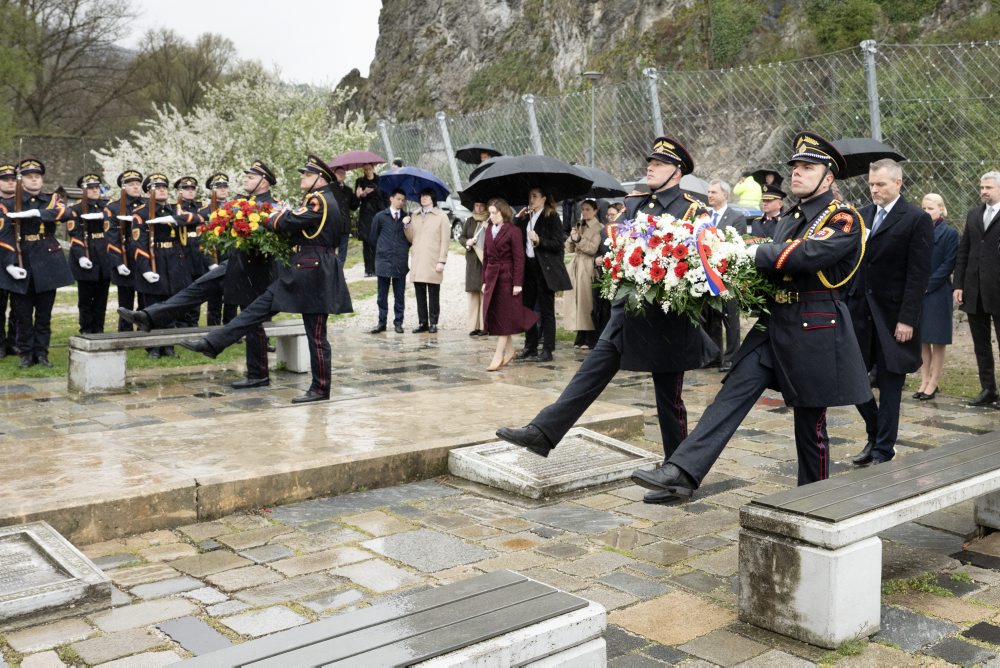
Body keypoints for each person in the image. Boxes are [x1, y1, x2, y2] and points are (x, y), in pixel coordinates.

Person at [627, 131, 871, 500]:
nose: (797, 174)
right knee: (729, 397)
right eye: (796, 167)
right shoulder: (792, 216)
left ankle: (815, 500)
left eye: (808, 168)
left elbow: (805, 256)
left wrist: (748, 253)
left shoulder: (844, 219)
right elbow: (775, 254)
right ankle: (680, 471)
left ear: (829, 177)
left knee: (810, 426)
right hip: (774, 324)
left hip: (815, 326)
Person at [497, 136, 716, 501]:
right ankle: (544, 432)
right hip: (628, 312)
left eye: (659, 164)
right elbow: (618, 248)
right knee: (590, 371)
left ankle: (677, 474)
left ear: (677, 173)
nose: (650, 167)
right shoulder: (634, 205)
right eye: (649, 161)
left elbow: (702, 258)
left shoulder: (694, 211)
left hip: (665, 316)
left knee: (669, 398)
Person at [181, 154, 352, 404]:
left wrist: (268, 219)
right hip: (303, 271)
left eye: (306, 174)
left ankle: (320, 388)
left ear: (320, 178)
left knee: (315, 335)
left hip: (314, 273)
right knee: (255, 310)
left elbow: (290, 220)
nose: (302, 178)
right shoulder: (320, 199)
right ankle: (213, 343)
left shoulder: (320, 200)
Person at [119, 160, 279, 388]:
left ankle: (258, 374)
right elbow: (209, 219)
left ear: (264, 182)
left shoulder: (273, 206)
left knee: (251, 322)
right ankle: (150, 316)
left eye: (251, 178)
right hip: (237, 264)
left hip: (256, 270)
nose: (245, 180)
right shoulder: (243, 203)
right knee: (196, 289)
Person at [848, 159, 932, 466]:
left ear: (898, 183)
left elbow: (918, 273)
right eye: (871, 184)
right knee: (852, 378)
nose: (874, 189)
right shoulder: (861, 215)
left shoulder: (915, 218)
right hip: (860, 312)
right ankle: (875, 431)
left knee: (891, 383)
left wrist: (908, 318)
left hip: (894, 316)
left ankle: (883, 449)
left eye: (880, 184)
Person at [2, 158, 74, 367]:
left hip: (47, 261)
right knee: (22, 315)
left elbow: (66, 213)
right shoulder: (7, 203)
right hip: (21, 259)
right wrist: (9, 264)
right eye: (29, 176)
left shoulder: (52, 200)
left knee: (44, 315)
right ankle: (25, 354)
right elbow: (3, 236)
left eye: (37, 176)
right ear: (21, 180)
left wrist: (38, 213)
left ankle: (42, 353)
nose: (34, 179)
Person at [129, 173, 197, 358]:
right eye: (157, 187)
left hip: (174, 260)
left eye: (164, 187)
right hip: (154, 259)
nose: (162, 190)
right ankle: (153, 347)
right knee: (153, 306)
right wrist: (145, 270)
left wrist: (176, 220)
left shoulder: (175, 210)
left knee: (171, 305)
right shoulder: (140, 213)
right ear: (148, 191)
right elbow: (138, 243)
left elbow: (197, 218)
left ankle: (169, 345)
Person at [954, 171, 1000, 407]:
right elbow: (964, 251)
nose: (983, 191)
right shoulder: (973, 214)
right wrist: (959, 284)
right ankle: (988, 389)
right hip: (975, 290)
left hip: (998, 289)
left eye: (989, 188)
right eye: (982, 187)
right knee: (980, 344)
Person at [516, 186, 572, 362]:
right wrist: (517, 220)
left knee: (547, 310)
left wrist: (540, 241)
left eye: (534, 196)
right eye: (529, 196)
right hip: (529, 268)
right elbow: (517, 238)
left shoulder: (551, 217)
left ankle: (548, 348)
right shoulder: (527, 217)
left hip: (544, 269)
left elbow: (558, 243)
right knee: (526, 308)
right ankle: (530, 346)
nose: (531, 199)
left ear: (543, 199)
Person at [482, 198, 537, 371]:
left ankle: (498, 355)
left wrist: (517, 283)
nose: (490, 216)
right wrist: (484, 280)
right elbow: (485, 257)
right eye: (489, 213)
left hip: (507, 278)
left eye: (493, 213)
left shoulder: (513, 231)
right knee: (498, 315)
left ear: (502, 212)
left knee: (505, 316)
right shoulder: (489, 229)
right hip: (492, 278)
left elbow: (519, 258)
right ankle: (510, 351)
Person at [914, 193, 959, 401]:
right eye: (923, 208)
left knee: (937, 340)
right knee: (922, 339)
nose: (926, 212)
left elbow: (948, 264)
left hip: (938, 292)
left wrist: (927, 285)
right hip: (919, 292)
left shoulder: (950, 233)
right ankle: (924, 380)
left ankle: (934, 382)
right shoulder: (917, 231)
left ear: (941, 209)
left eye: (931, 208)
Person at [704, 179, 747, 372]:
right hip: (707, 273)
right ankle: (714, 356)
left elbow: (737, 244)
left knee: (730, 317)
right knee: (712, 316)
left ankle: (731, 358)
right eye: (709, 192)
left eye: (714, 192)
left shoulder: (736, 217)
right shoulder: (705, 217)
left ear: (725, 195)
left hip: (727, 274)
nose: (710, 195)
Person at [67, 174, 113, 334]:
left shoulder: (106, 207)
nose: (94, 190)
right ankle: (86, 329)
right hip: (87, 254)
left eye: (96, 187)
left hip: (104, 255)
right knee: (86, 299)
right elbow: (74, 234)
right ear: (83, 190)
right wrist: (81, 256)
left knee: (101, 299)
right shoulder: (76, 208)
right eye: (90, 188)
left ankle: (98, 329)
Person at [104, 170, 145, 332]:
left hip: (143, 256)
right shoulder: (113, 208)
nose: (136, 187)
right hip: (125, 254)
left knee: (145, 298)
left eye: (138, 184)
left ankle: (144, 330)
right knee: (125, 301)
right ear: (123, 187)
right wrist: (118, 262)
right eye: (131, 184)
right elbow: (111, 237)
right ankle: (125, 332)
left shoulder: (147, 205)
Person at [406, 188, 450, 333]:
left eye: (426, 195)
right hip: (418, 259)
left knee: (433, 293)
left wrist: (442, 261)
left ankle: (433, 323)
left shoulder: (441, 216)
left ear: (432, 198)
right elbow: (411, 238)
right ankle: (423, 322)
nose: (423, 198)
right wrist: (406, 225)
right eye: (421, 195)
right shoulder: (415, 215)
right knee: (419, 293)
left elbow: (445, 240)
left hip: (433, 259)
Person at [369, 189, 411, 334]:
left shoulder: (406, 217)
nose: (401, 202)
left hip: (400, 260)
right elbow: (373, 238)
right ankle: (382, 322)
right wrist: (383, 249)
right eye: (398, 199)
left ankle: (398, 322)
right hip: (383, 260)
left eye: (403, 200)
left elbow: (411, 239)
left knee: (399, 295)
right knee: (382, 295)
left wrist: (406, 225)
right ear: (391, 199)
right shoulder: (380, 217)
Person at [563, 198, 603, 349]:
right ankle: (580, 334)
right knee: (576, 300)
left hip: (588, 266)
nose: (585, 212)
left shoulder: (599, 227)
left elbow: (592, 248)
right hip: (576, 265)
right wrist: (572, 237)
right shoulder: (579, 225)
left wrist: (579, 239)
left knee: (587, 300)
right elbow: (569, 248)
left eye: (588, 209)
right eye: (583, 209)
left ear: (595, 211)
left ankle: (590, 336)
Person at [173, 176, 206, 328]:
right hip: (183, 253)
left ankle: (193, 322)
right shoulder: (175, 207)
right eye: (186, 189)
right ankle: (181, 322)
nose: (190, 191)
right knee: (184, 289)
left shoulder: (200, 206)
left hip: (199, 252)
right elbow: (180, 219)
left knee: (198, 288)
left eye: (193, 189)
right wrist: (198, 218)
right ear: (179, 191)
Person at [198, 172, 230, 326]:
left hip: (230, 256)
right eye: (218, 187)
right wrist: (210, 261)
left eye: (225, 186)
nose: (223, 190)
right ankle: (213, 329)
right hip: (215, 256)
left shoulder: (234, 208)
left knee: (232, 297)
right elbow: (202, 240)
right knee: (215, 298)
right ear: (211, 191)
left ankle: (232, 329)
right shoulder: (204, 212)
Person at [458, 201, 488, 336]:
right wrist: (467, 242)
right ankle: (473, 326)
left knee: (484, 292)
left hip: (485, 260)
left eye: (481, 205)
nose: (478, 208)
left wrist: (487, 229)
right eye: (476, 205)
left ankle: (484, 327)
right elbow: (462, 237)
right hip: (471, 260)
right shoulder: (469, 221)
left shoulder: (489, 220)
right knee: (473, 293)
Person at [353, 163, 386, 277]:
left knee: (378, 241)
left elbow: (385, 197)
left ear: (373, 168)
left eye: (369, 169)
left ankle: (378, 267)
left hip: (379, 213)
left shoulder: (381, 180)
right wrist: (363, 194)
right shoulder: (360, 181)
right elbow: (357, 198)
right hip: (366, 214)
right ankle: (368, 269)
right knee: (367, 241)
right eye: (365, 169)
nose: (368, 171)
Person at [0, 162, 19, 356]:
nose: (10, 183)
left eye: (13, 179)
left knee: (18, 306)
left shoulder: (23, 202)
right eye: (5, 180)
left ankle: (14, 341)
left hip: (21, 257)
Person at [331, 166, 353, 265]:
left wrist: (359, 195)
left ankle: (340, 272)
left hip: (345, 224)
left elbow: (353, 206)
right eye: (338, 173)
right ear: (334, 174)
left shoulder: (348, 190)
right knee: (331, 249)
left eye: (343, 173)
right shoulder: (329, 188)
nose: (341, 175)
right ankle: (332, 271)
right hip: (333, 224)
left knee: (343, 250)